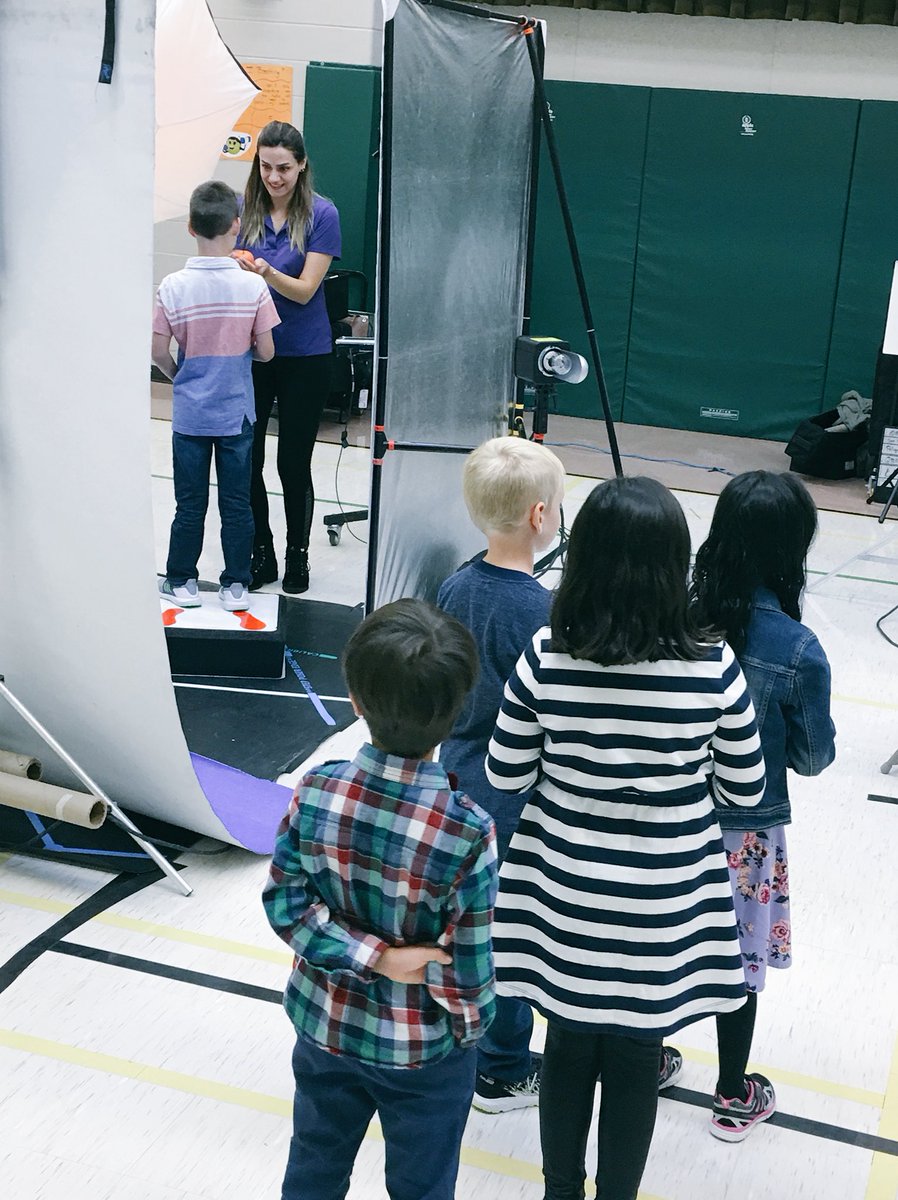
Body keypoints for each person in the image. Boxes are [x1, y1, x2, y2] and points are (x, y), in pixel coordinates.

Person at [486, 476, 766, 1200]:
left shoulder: (549, 654)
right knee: (637, 1059)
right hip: (663, 901)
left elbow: (505, 772)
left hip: (564, 893)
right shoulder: (713, 665)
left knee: (569, 1044)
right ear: (675, 565)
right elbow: (744, 790)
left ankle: (559, 1190)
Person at [263, 598, 498, 1200]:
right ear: (457, 710)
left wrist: (367, 955)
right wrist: (470, 1030)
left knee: (313, 1167)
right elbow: (465, 972)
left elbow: (285, 905)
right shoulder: (467, 831)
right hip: (423, 1050)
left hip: (324, 1026)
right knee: (422, 1186)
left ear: (355, 701)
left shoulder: (315, 792)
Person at [691, 470, 836, 1143]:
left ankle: (647, 1056)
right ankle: (730, 1093)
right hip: (747, 832)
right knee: (739, 959)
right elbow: (812, 758)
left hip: (671, 816)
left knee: (661, 937)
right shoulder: (797, 648)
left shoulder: (675, 619)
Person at [436, 436, 563, 1113]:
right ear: (540, 515)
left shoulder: (455, 583)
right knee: (509, 929)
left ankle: (463, 1032)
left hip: (455, 771)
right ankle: (504, 1066)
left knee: (467, 919)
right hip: (513, 795)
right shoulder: (540, 613)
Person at [152, 180, 279, 612]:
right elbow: (266, 351)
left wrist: (180, 375)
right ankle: (235, 586)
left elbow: (156, 352)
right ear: (237, 226)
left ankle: (181, 580)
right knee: (236, 503)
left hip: (190, 415)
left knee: (189, 504)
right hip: (236, 415)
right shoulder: (252, 287)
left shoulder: (171, 286)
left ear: (190, 227)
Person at [235, 121, 342, 596]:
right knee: (247, 458)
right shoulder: (244, 210)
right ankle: (263, 553)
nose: (274, 177)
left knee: (292, 464)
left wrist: (262, 270)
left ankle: (298, 555)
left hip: (305, 354)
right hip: (254, 353)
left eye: (283, 168)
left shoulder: (322, 214)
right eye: (265, 166)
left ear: (301, 166)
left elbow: (304, 292)